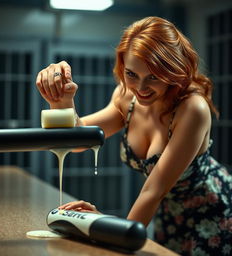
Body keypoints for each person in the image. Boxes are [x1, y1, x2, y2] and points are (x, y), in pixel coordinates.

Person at [36, 16, 232, 256]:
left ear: (174, 70)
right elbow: (78, 142)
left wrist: (112, 232)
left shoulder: (193, 109)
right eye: (131, 74)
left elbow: (154, 190)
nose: (141, 88)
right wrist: (63, 101)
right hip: (169, 216)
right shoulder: (126, 96)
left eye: (153, 77)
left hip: (216, 214)